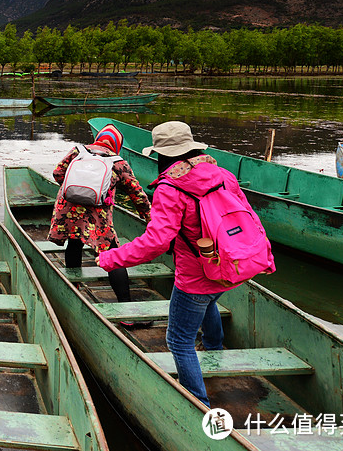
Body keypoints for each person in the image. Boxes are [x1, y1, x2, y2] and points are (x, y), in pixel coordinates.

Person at [97, 120, 251, 407]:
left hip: (196, 274)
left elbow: (155, 243)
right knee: (209, 300)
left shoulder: (171, 187)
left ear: (163, 154)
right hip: (232, 265)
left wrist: (110, 258)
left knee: (179, 340)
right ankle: (215, 346)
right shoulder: (223, 174)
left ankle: (197, 401)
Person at [49, 124, 151, 311]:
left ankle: (74, 287)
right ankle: (126, 309)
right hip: (97, 215)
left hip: (67, 208)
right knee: (112, 254)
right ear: (116, 144)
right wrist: (149, 218)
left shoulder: (77, 151)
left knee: (74, 241)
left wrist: (77, 191)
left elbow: (57, 174)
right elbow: (137, 195)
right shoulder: (119, 163)